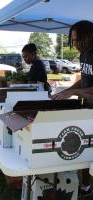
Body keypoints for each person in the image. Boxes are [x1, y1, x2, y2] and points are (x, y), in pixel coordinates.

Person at [52, 20, 93, 195]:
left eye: (78, 40)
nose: (75, 44)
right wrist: (66, 91)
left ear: (90, 36)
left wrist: (77, 93)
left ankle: (86, 183)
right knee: (85, 144)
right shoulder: (84, 54)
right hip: (88, 107)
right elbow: (84, 80)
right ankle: (85, 184)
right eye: (73, 40)